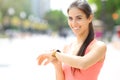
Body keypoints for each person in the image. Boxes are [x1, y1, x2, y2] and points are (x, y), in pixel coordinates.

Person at [37, 0, 107, 80]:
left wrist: (55, 54)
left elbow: (83, 63)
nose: (74, 23)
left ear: (90, 18)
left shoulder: (99, 46)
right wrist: (57, 65)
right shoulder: (67, 47)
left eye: (79, 18)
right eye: (70, 18)